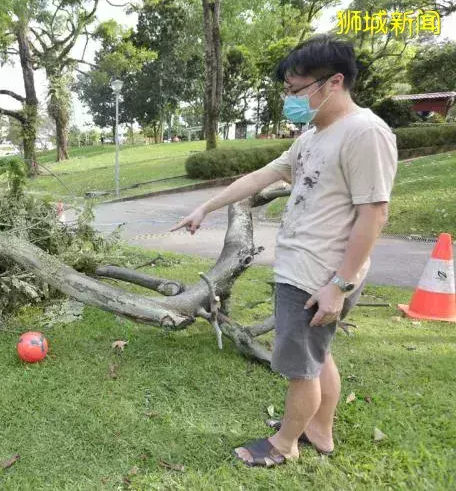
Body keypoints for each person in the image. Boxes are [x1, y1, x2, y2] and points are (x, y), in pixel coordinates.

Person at [170, 35, 397, 467]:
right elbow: (261, 175)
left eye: (296, 90)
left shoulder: (365, 133)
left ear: (333, 82)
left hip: (318, 277)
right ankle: (319, 431)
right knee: (317, 354)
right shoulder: (313, 135)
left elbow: (374, 215)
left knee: (300, 368)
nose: (290, 99)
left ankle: (284, 445)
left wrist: (339, 285)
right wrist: (206, 206)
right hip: (305, 269)